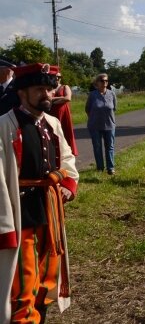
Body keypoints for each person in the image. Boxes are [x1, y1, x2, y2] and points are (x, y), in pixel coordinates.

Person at [0, 63, 79, 323]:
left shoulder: (53, 123)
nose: (47, 94)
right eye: (40, 89)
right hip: (20, 214)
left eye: (49, 88)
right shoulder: (4, 126)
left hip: (50, 211)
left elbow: (67, 158)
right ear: (22, 92)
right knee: (23, 283)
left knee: (48, 277)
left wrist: (66, 184)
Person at [85, 73, 117, 175]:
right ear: (97, 82)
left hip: (109, 125)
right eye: (102, 81)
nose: (105, 83)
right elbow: (87, 109)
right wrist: (94, 118)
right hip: (95, 126)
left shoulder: (112, 94)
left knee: (110, 147)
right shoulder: (92, 95)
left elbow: (114, 108)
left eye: (106, 81)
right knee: (97, 147)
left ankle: (110, 168)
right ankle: (100, 168)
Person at [47, 72, 78, 157]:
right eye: (55, 77)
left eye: (59, 77)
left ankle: (68, 152)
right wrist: (61, 98)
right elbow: (47, 98)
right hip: (51, 113)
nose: (57, 78)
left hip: (63, 114)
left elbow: (68, 98)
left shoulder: (65, 87)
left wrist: (53, 100)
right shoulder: (49, 88)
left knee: (65, 131)